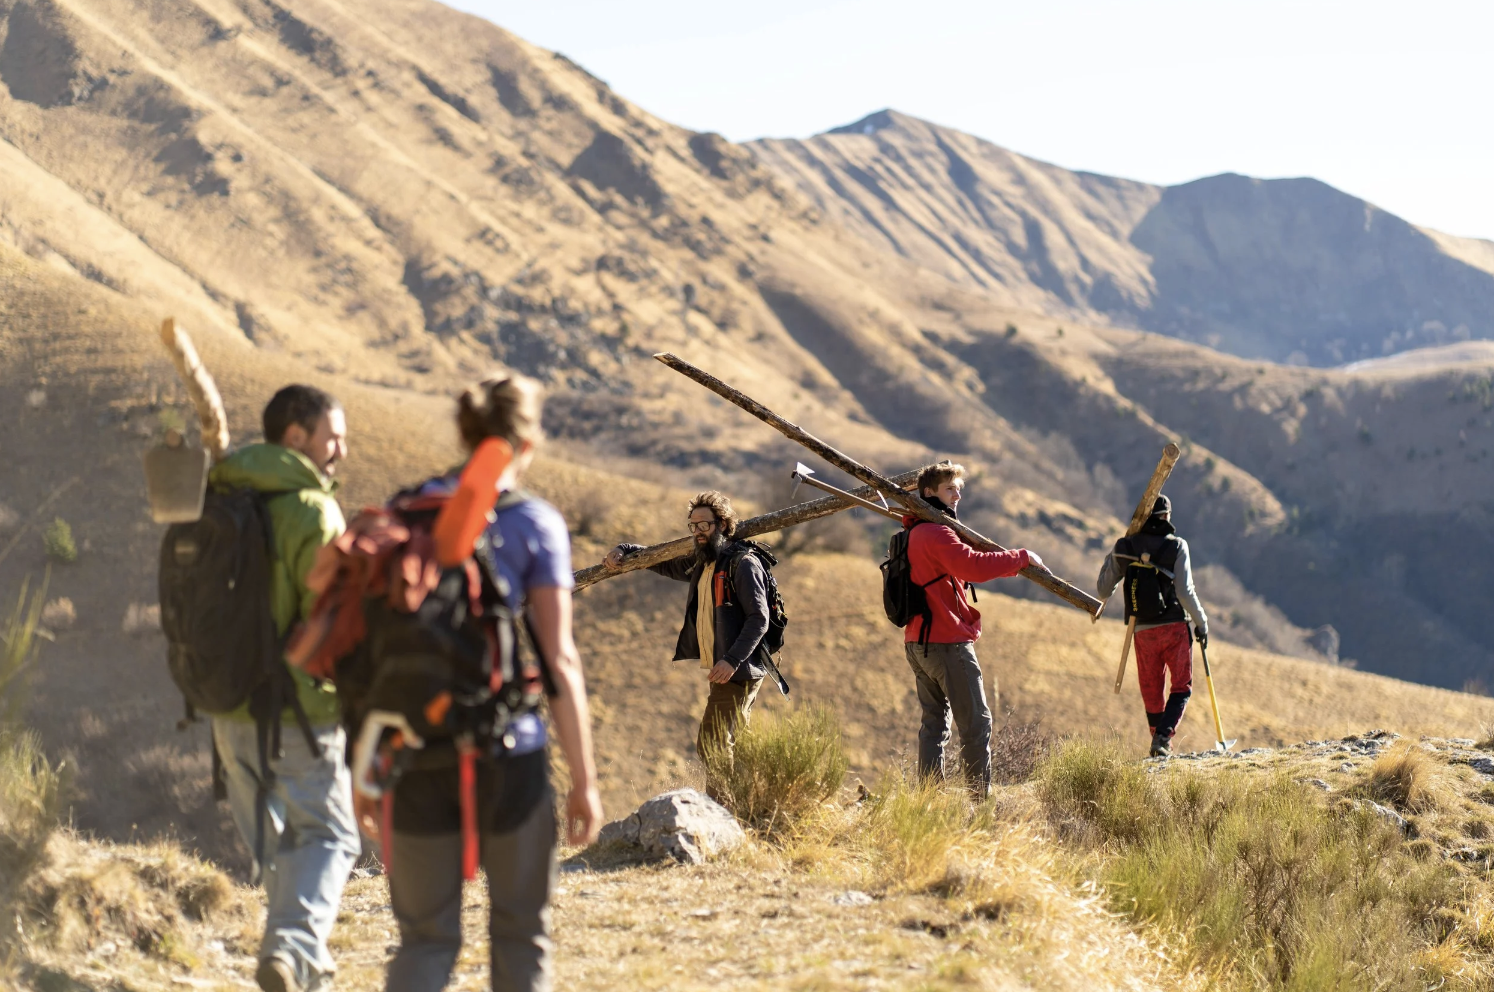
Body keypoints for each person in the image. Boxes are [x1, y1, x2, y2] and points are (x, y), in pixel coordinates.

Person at [360, 374, 603, 992]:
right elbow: (559, 661)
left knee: (424, 942)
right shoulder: (534, 523)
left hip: (411, 754)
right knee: (522, 935)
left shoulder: (404, 511)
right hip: (508, 755)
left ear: (464, 434)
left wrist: (361, 770)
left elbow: (369, 651)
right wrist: (584, 781)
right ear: (527, 443)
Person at [207, 385, 359, 992]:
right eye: (333, 436)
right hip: (301, 710)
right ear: (295, 438)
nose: (340, 451)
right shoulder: (312, 511)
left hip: (225, 706)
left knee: (277, 852)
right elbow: (334, 621)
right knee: (330, 834)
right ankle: (291, 947)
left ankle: (305, 972)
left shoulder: (218, 494)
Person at [603, 492, 773, 775]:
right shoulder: (705, 563)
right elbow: (660, 561)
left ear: (722, 524)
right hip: (730, 669)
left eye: (704, 525)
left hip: (738, 670)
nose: (697, 532)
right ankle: (745, 808)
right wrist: (624, 549)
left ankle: (720, 811)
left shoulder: (743, 564)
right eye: (693, 526)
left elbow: (759, 619)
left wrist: (731, 660)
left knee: (711, 745)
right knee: (736, 745)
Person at [899, 461, 1042, 796]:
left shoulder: (915, 532)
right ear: (928, 492)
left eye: (959, 489)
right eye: (950, 489)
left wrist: (1007, 560)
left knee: (934, 726)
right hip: (946, 642)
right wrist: (1021, 556)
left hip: (917, 644)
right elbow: (973, 567)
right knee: (976, 725)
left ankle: (928, 802)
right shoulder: (937, 532)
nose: (957, 495)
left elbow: (965, 561)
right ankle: (980, 804)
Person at [1096, 494, 1209, 757]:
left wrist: (1113, 553)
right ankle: (1163, 737)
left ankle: (1157, 743)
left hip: (1142, 631)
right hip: (1174, 628)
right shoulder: (1178, 546)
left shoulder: (1125, 547)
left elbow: (1102, 589)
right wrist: (1201, 622)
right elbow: (1185, 591)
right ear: (1167, 517)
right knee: (1181, 686)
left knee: (1151, 689)